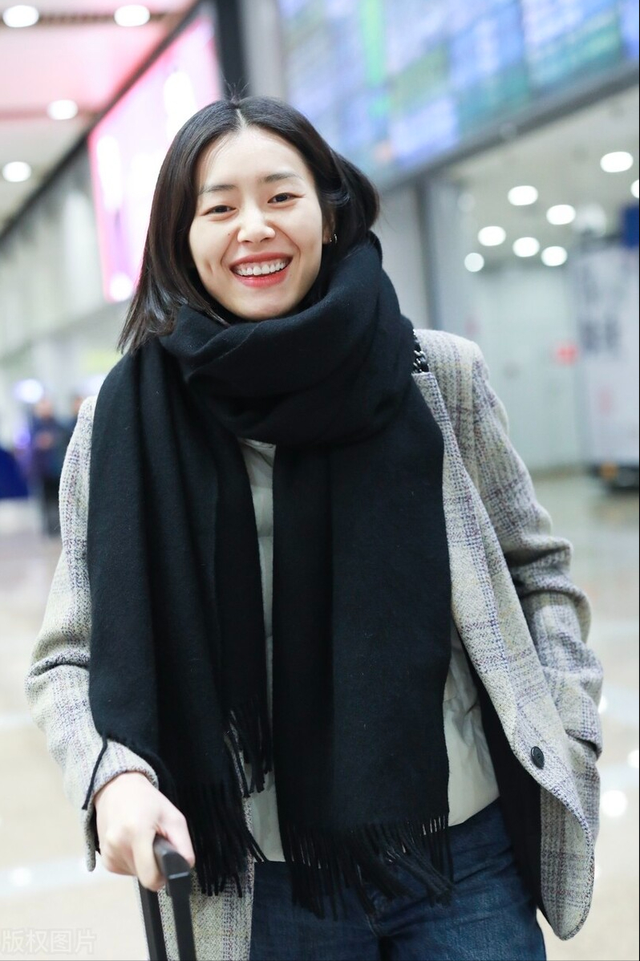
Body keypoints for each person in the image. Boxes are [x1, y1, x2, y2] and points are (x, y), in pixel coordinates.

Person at [26, 97, 603, 961]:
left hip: (464, 852)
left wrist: (569, 724)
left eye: (280, 196)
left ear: (329, 215)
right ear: (181, 238)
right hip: (257, 882)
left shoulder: (436, 375)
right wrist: (113, 776)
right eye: (219, 207)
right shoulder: (123, 423)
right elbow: (65, 657)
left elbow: (538, 570)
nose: (253, 228)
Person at [27, 397, 70, 536]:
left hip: (58, 470)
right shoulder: (34, 428)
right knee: (45, 502)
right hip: (42, 472)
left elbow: (65, 441)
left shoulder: (59, 426)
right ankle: (50, 530)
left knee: (60, 501)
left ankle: (61, 528)